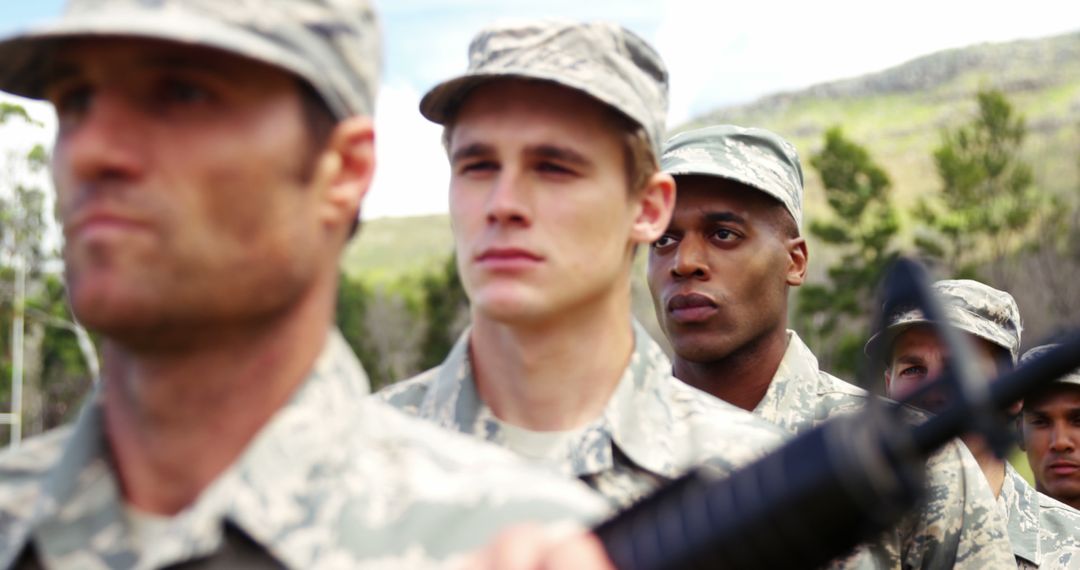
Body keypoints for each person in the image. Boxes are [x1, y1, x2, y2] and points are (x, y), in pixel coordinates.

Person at [0, 2, 614, 567]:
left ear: (343, 170)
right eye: (76, 100)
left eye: (181, 93)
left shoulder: (514, 543)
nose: (92, 151)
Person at [379, 20, 785, 509]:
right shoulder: (336, 464)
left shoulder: (761, 491)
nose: (503, 203)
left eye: (554, 167)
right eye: (478, 165)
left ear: (647, 208)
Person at [647, 125, 1015, 568]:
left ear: (795, 261)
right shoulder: (601, 442)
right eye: (664, 240)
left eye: (724, 234)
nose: (684, 263)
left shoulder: (915, 458)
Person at [870, 280, 1080, 568]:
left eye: (957, 369)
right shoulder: (847, 536)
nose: (933, 391)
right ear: (888, 386)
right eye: (913, 370)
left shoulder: (1072, 546)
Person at [1021, 344, 1080, 511]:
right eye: (1041, 422)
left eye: (1078, 421)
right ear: (1019, 433)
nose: (1060, 442)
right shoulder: (989, 531)